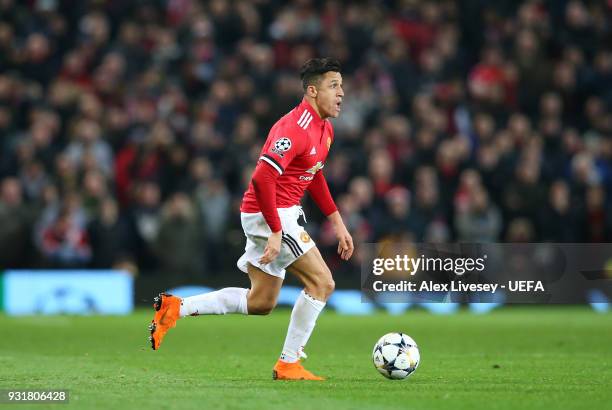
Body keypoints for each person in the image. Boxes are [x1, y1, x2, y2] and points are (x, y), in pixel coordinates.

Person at [148, 58, 354, 381]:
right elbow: (261, 178)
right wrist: (275, 230)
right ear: (312, 91)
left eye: (341, 85)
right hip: (270, 212)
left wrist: (337, 222)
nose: (342, 92)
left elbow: (313, 175)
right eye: (334, 86)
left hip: (274, 214)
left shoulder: (325, 129)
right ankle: (288, 363)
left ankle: (175, 308)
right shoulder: (295, 128)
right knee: (322, 282)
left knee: (261, 301)